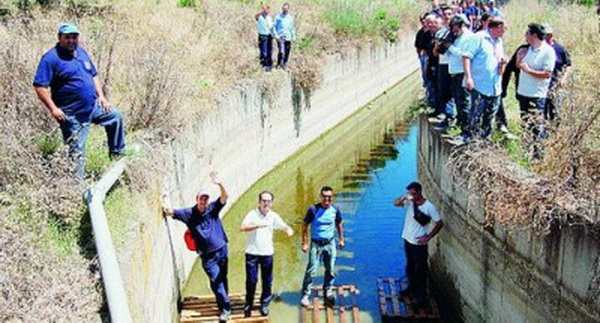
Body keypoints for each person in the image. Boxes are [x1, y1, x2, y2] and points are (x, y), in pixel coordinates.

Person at [33, 23, 125, 178]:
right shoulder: (51, 58)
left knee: (114, 117)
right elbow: (39, 86)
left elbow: (93, 75)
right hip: (72, 113)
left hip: (92, 106)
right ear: (59, 38)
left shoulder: (81, 53)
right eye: (67, 37)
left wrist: (101, 97)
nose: (71, 40)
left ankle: (118, 157)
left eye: (74, 37)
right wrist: (54, 109)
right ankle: (76, 185)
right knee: (77, 150)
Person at [163, 172, 231, 322]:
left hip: (222, 250)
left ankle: (223, 303)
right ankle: (226, 308)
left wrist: (220, 184)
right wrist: (163, 201)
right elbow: (170, 212)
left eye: (206, 199)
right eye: (201, 199)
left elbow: (225, 198)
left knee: (222, 279)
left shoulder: (213, 209)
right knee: (216, 280)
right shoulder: (188, 213)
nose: (204, 202)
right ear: (197, 200)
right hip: (208, 257)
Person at [240, 191, 293, 317]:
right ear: (259, 202)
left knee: (267, 281)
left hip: (267, 253)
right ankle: (249, 303)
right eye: (264, 200)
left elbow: (283, 225)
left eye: (268, 201)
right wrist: (257, 225)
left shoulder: (273, 216)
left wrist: (288, 229)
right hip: (252, 253)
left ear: (272, 203)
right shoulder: (252, 214)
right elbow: (242, 227)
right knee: (252, 280)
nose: (266, 203)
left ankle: (264, 304)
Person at [394, 182, 443, 310]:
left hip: (419, 244)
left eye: (414, 193)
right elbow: (396, 203)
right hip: (407, 239)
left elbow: (439, 223)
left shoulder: (429, 207)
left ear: (420, 192)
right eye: (410, 193)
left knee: (420, 270)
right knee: (410, 266)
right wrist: (405, 197)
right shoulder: (409, 202)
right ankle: (411, 288)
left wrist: (428, 236)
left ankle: (421, 296)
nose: (412, 196)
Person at [300, 186, 345, 307]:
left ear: (332, 197)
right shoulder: (313, 209)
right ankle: (305, 294)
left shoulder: (335, 209)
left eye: (329, 197)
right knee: (312, 270)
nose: (327, 199)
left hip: (330, 244)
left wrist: (341, 239)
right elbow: (304, 225)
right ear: (321, 197)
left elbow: (339, 223)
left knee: (330, 269)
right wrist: (304, 243)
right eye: (324, 196)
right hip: (316, 244)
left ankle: (328, 290)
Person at [462, 17, 507, 139]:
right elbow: (466, 57)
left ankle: (485, 141)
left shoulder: (499, 41)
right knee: (476, 114)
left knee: (490, 115)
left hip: (494, 85)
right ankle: (472, 141)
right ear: (497, 28)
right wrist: (468, 78)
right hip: (479, 84)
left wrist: (502, 63)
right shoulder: (479, 38)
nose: (504, 31)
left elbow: (499, 60)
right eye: (504, 28)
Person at [516, 23, 556, 159]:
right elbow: (519, 66)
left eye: (527, 33)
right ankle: (526, 152)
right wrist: (518, 59)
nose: (525, 36)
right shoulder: (527, 49)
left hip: (537, 94)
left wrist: (529, 71)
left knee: (537, 125)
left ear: (533, 35)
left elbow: (547, 73)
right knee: (525, 124)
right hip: (523, 92)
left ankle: (539, 155)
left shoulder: (548, 51)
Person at [447, 15, 475, 139]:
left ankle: (467, 131)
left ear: (462, 26)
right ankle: (462, 128)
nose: (454, 31)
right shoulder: (458, 37)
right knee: (459, 101)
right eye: (453, 29)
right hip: (455, 73)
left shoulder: (468, 38)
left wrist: (450, 47)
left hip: (462, 73)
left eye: (456, 29)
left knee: (464, 102)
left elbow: (464, 55)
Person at [543, 23, 571, 123]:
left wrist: (563, 79)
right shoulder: (539, 49)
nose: (544, 37)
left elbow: (568, 65)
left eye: (546, 35)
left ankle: (555, 132)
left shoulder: (560, 49)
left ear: (551, 35)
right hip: (542, 85)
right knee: (542, 112)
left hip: (556, 84)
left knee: (555, 111)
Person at [274, 3, 296, 69]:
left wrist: (293, 36)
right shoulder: (278, 17)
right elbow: (274, 27)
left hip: (288, 37)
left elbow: (292, 28)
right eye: (284, 8)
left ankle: (285, 63)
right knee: (281, 51)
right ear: (282, 8)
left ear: (288, 9)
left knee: (287, 51)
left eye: (286, 9)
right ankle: (279, 64)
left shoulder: (290, 18)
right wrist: (276, 35)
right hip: (280, 36)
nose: (285, 10)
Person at [255, 6, 275, 71]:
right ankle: (264, 65)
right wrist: (261, 13)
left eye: (268, 10)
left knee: (270, 51)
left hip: (269, 36)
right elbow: (256, 17)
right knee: (264, 51)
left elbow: (271, 27)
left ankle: (269, 64)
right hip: (263, 36)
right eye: (265, 10)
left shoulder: (269, 18)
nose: (266, 11)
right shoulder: (260, 17)